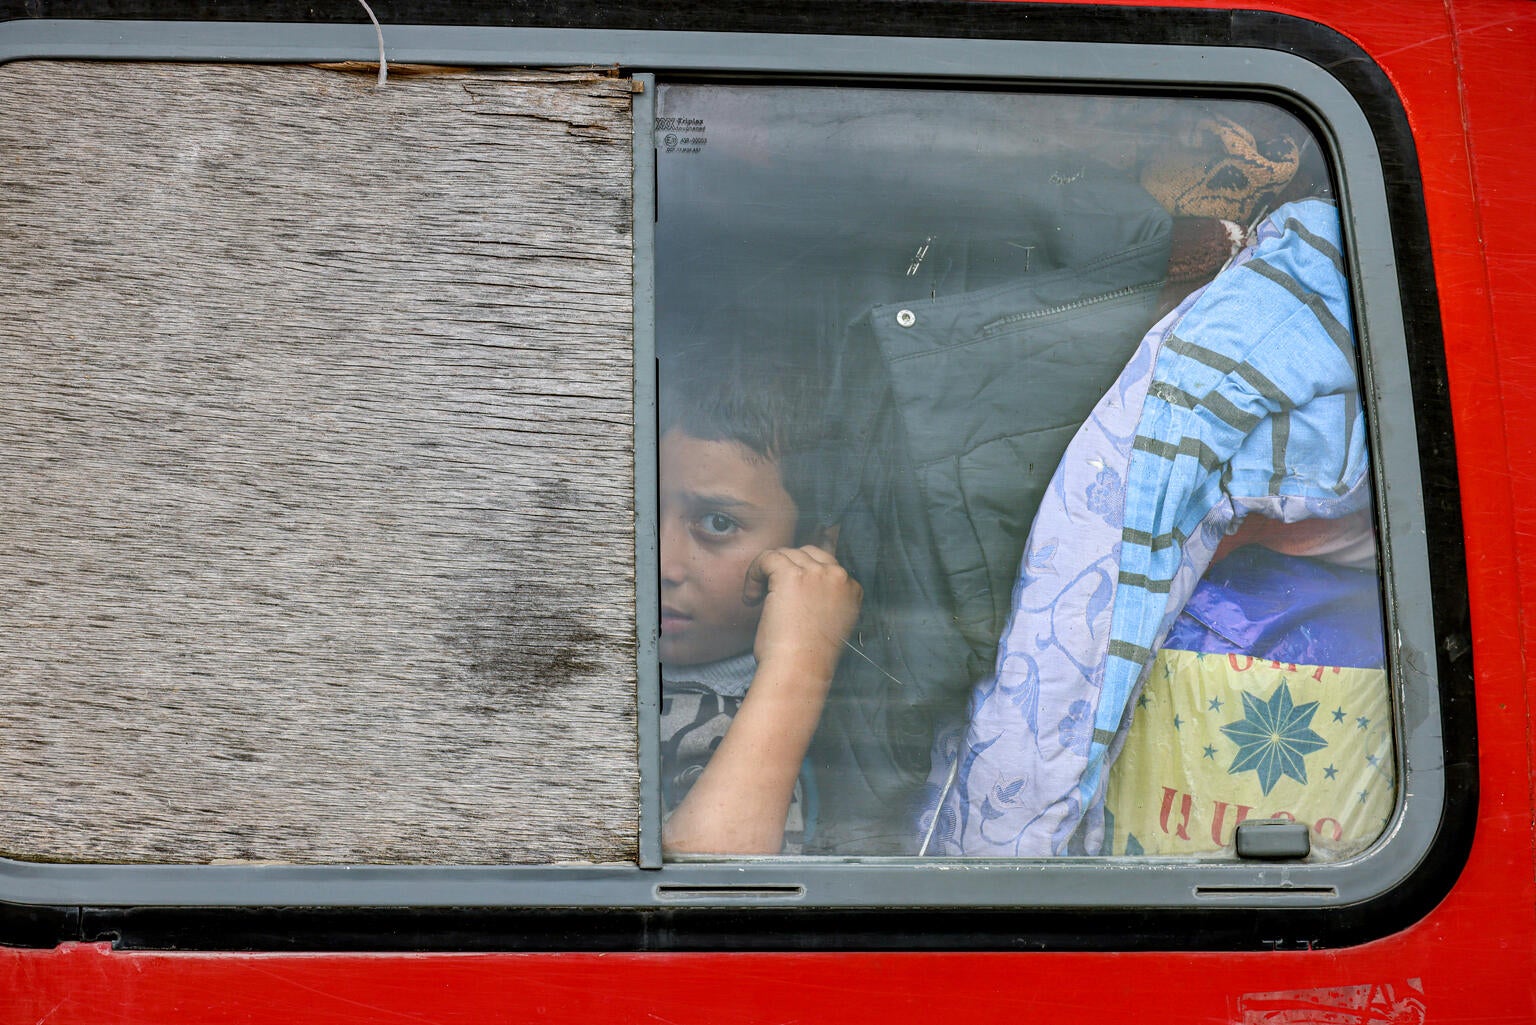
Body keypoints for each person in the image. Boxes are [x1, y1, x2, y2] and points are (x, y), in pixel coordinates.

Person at [658, 350, 862, 855]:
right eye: (638, 506)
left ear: (813, 548)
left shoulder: (769, 715)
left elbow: (714, 887)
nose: (662, 562)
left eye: (717, 523)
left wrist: (801, 662)